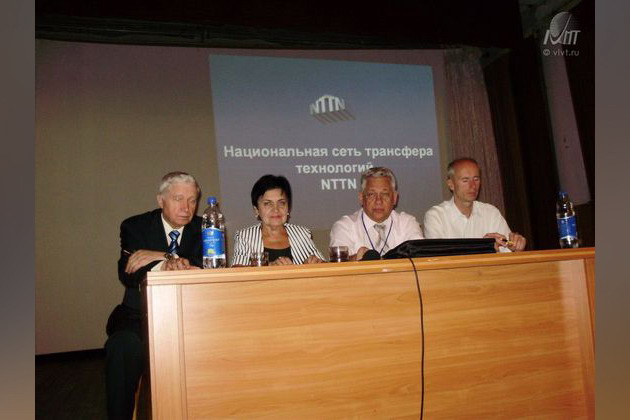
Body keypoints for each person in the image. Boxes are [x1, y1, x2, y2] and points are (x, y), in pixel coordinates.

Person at [104, 171, 203, 420]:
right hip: (140, 315)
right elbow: (129, 274)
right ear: (161, 200)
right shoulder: (135, 226)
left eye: (192, 200)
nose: (187, 208)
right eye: (178, 199)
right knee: (122, 346)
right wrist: (170, 259)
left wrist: (162, 256)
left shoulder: (206, 228)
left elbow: (208, 266)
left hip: (192, 317)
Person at [423, 157, 526, 252]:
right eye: (465, 180)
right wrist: (483, 247)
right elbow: (439, 256)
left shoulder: (491, 213)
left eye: (476, 179)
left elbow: (507, 252)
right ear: (451, 184)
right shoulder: (436, 216)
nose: (473, 186)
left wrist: (515, 247)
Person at [329, 166, 423, 260]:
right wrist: (356, 259)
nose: (378, 201)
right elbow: (338, 263)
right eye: (371, 194)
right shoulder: (344, 226)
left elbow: (421, 258)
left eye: (385, 194)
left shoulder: (407, 223)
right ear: (361, 197)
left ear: (394, 198)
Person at [231, 174, 325, 266]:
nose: (276, 209)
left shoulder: (301, 234)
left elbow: (326, 266)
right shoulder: (245, 237)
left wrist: (314, 263)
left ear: (288, 207)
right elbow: (237, 270)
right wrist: (270, 268)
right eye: (268, 204)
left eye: (281, 203)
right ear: (256, 210)